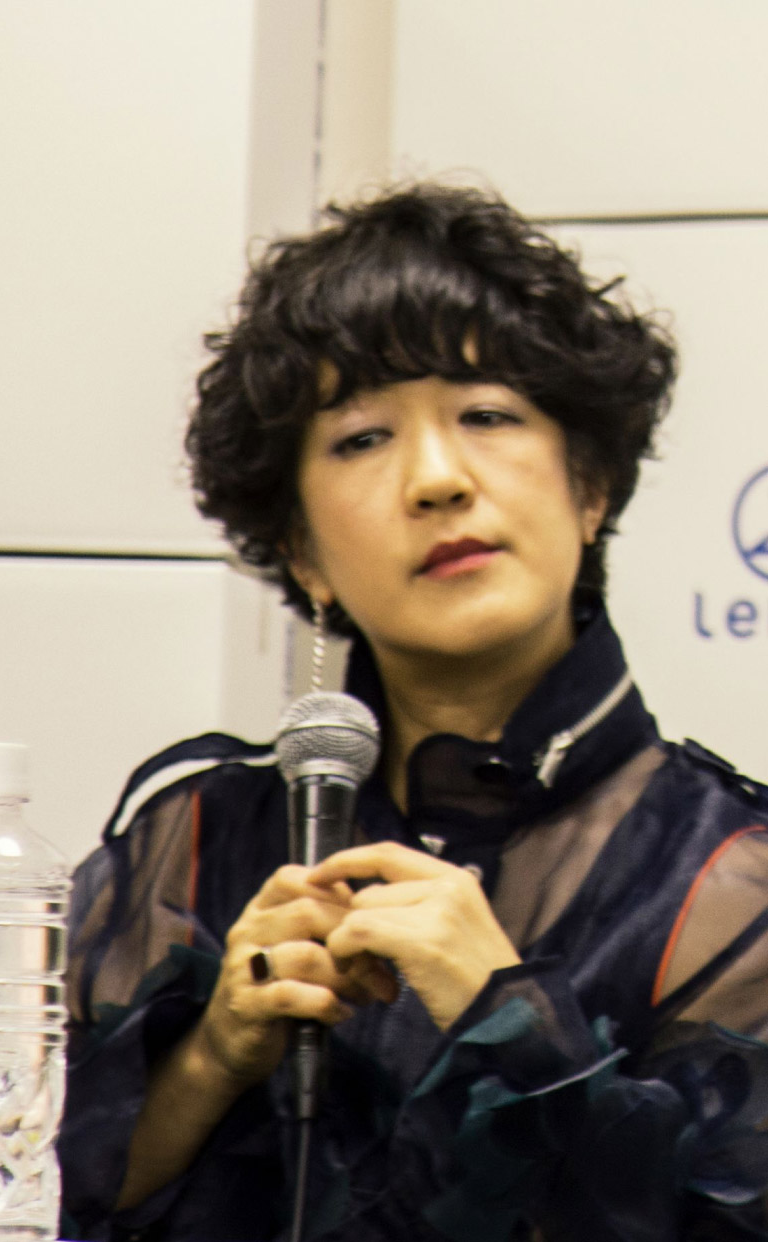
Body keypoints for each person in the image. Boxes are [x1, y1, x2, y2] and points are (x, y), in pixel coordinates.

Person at [58, 182, 768, 1242]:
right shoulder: (191, 845)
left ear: (589, 488)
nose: (436, 479)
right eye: (361, 439)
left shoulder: (730, 882)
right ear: (303, 553)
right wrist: (209, 1058)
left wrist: (512, 1019)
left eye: (487, 415)